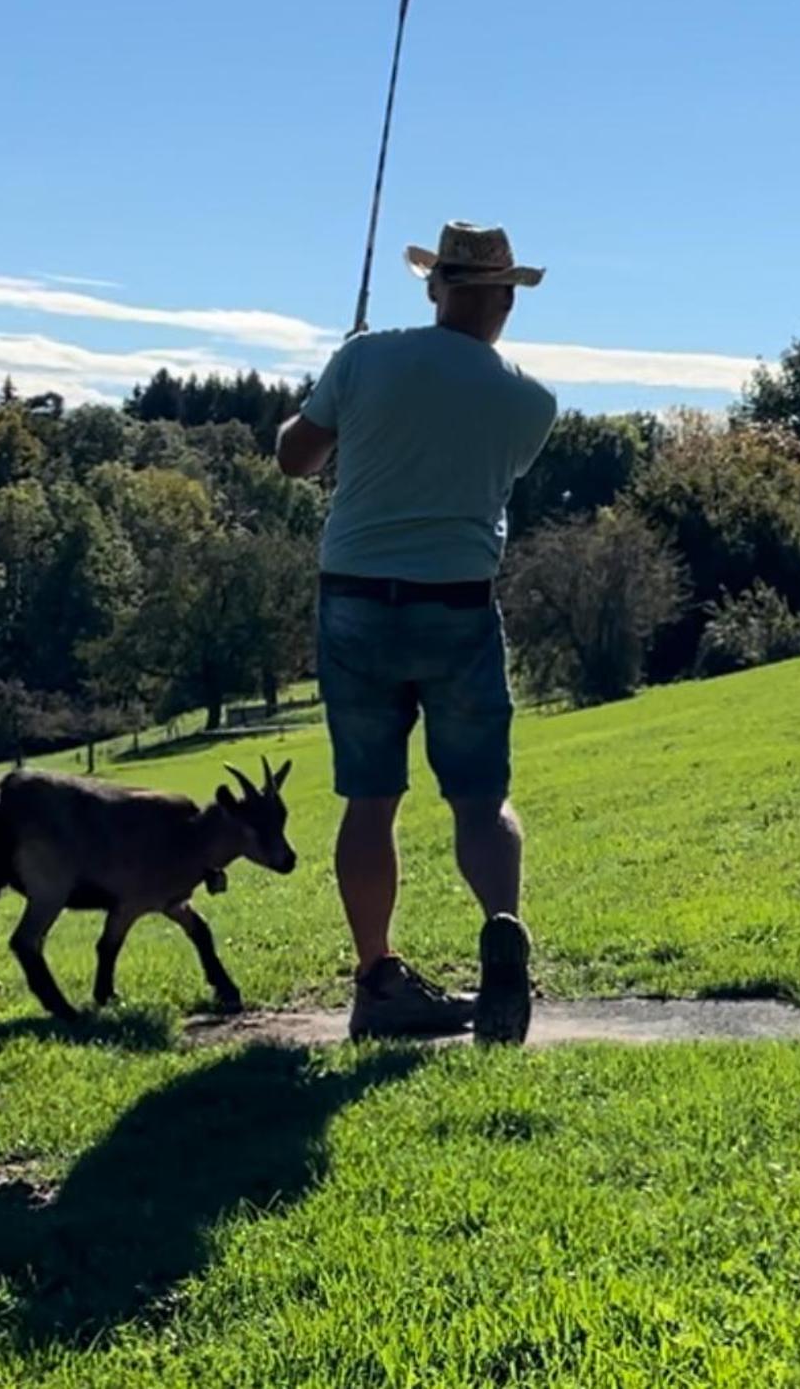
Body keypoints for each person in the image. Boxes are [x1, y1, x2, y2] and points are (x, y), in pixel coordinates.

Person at [276, 223, 557, 1045]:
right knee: (480, 796)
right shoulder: (530, 401)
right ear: (504, 298)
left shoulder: (365, 358)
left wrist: (336, 380)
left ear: (436, 287)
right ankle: (502, 925)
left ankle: (376, 978)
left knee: (370, 800)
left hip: (357, 600)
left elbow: (297, 458)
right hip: (460, 605)